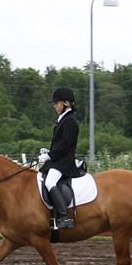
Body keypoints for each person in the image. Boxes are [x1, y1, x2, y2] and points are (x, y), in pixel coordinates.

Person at [37, 86, 79, 229]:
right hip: (58, 160)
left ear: (66, 103)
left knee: (49, 182)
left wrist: (49, 156)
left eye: (56, 103)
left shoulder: (70, 121)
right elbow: (60, 144)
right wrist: (49, 151)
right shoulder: (63, 119)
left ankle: (64, 217)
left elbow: (66, 145)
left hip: (64, 163)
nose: (54, 106)